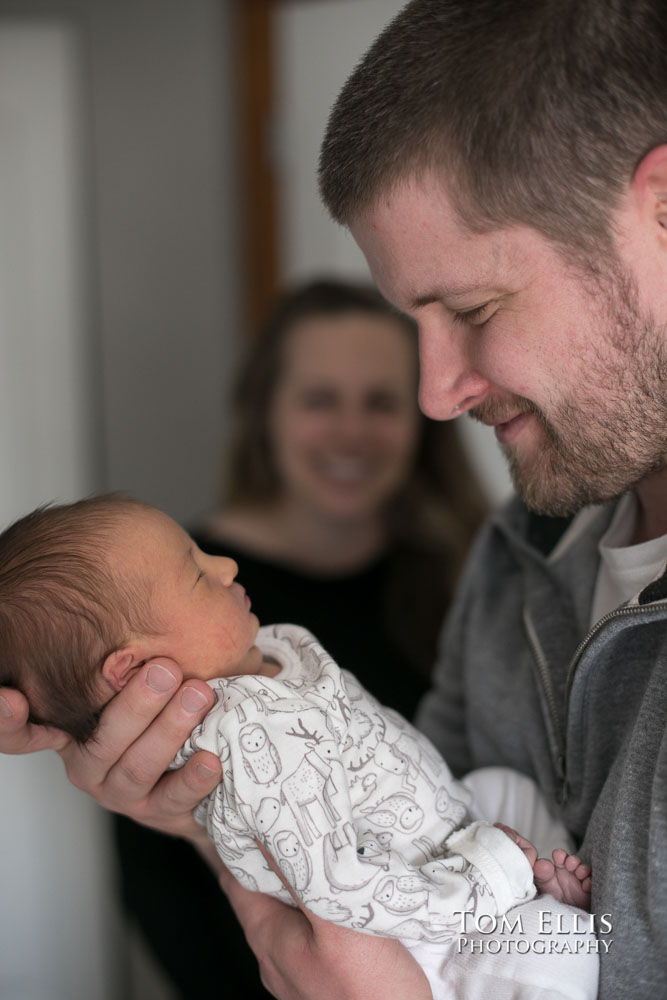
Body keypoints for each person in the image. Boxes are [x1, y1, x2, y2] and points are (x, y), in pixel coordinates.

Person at [2, 0, 664, 996]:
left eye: (473, 308)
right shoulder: (513, 559)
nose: (432, 395)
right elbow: (401, 830)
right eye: (416, 325)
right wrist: (202, 807)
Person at [0, 495, 598, 999]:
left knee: (505, 787)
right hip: (418, 925)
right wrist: (487, 880)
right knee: (567, 956)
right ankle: (541, 906)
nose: (227, 564)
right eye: (196, 575)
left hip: (436, 823)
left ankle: (543, 886)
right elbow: (337, 885)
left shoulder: (260, 660)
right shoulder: (246, 736)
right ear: (133, 671)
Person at [110, 276, 488, 998]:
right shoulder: (182, 599)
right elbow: (156, 874)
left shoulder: (466, 574)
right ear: (266, 414)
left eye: (379, 401)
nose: (351, 429)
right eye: (319, 399)